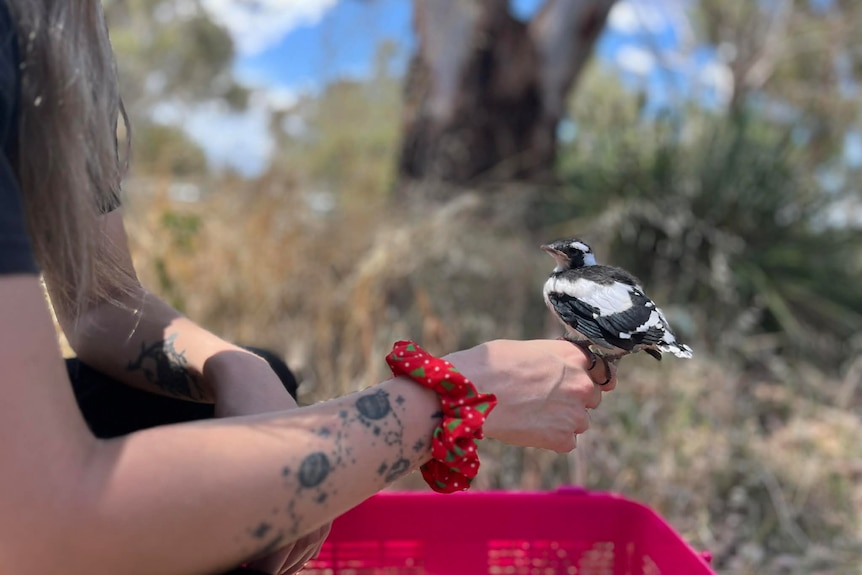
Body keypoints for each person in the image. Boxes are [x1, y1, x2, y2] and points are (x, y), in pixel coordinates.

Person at [0, 2, 617, 575]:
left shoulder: (56, 32)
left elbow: (99, 302)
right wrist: (451, 399)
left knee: (239, 393)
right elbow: (41, 523)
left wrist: (233, 369)